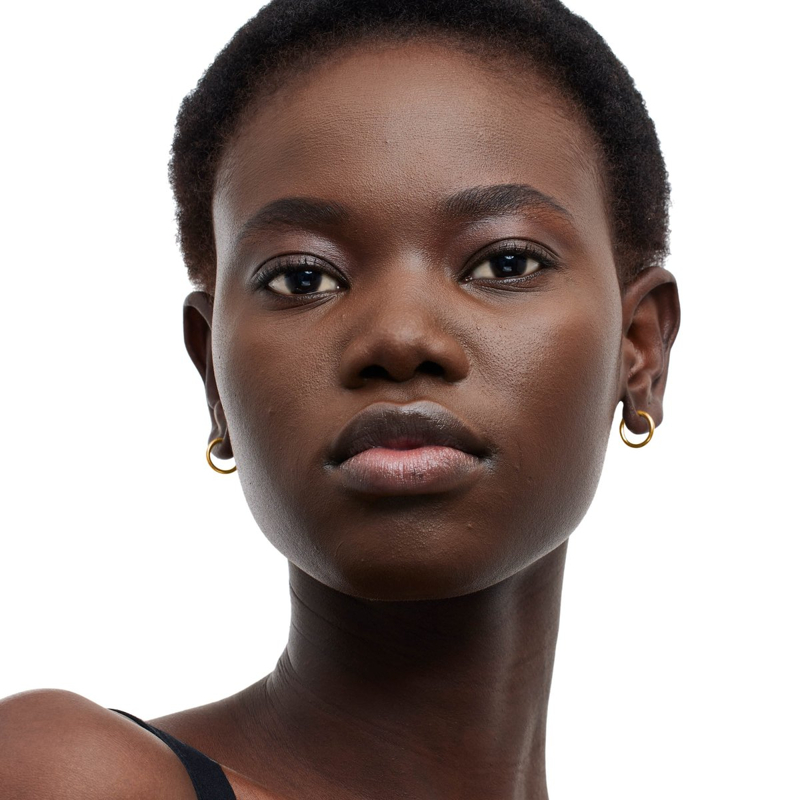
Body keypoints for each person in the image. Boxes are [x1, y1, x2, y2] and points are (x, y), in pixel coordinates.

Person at [0, 0, 680, 797]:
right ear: (211, 372)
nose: (399, 337)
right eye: (302, 277)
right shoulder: (71, 777)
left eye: (504, 263)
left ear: (640, 349)